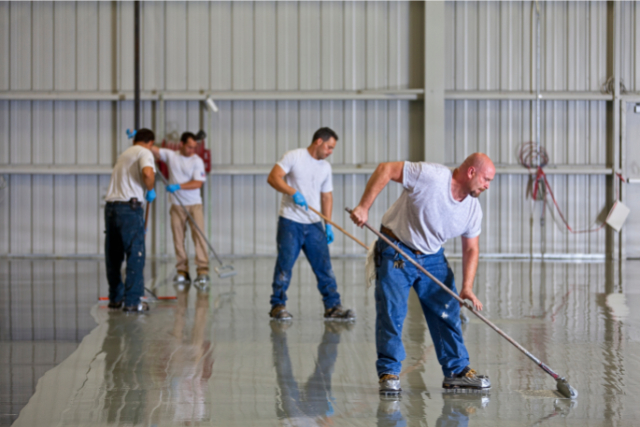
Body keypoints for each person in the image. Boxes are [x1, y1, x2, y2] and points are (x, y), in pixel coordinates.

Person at [349, 153, 496, 394]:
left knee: (447, 310)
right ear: (472, 172)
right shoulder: (431, 176)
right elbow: (386, 168)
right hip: (397, 248)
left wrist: (467, 287)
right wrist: (364, 207)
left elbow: (471, 248)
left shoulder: (472, 210)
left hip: (432, 256)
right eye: (486, 179)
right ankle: (389, 372)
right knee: (392, 311)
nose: (487, 186)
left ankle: (457, 372)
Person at [266, 127, 355, 322]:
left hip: (315, 225)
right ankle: (277, 305)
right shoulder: (294, 157)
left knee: (325, 268)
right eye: (329, 147)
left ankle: (332, 306)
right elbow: (273, 177)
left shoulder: (325, 168)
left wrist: (328, 224)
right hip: (291, 222)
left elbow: (327, 196)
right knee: (285, 265)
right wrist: (292, 192)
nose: (330, 152)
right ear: (318, 142)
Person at [104, 128, 157, 313]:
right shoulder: (145, 152)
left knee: (114, 256)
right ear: (150, 142)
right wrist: (150, 189)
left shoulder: (125, 153)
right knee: (135, 255)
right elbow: (148, 174)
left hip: (111, 207)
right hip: (129, 208)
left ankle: (116, 299)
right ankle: (133, 301)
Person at [150, 132, 208, 290]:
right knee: (178, 239)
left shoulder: (197, 161)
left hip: (194, 204)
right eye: (189, 146)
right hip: (176, 205)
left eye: (194, 147)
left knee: (199, 237)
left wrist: (178, 186)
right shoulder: (171, 155)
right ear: (181, 144)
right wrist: (139, 138)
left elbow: (198, 183)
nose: (192, 150)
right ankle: (182, 271)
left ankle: (202, 270)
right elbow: (153, 150)